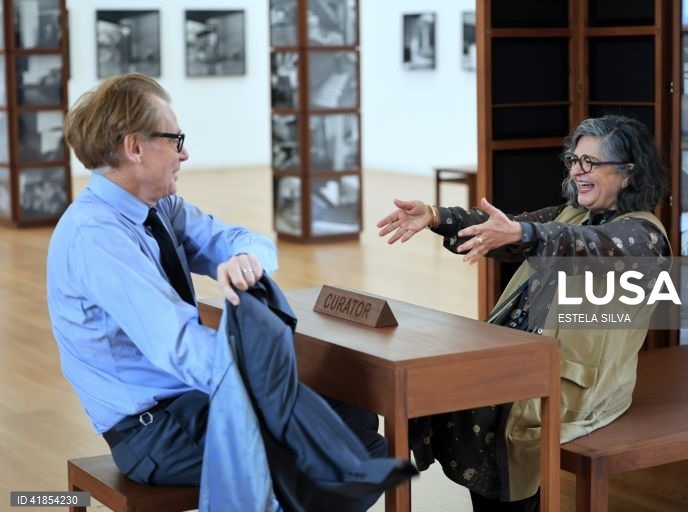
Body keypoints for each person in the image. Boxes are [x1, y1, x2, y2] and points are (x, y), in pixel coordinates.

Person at [47, 72, 414, 511]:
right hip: (155, 430)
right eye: (175, 138)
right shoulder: (96, 236)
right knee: (356, 452)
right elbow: (179, 345)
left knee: (355, 416)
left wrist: (247, 261)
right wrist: (271, 384)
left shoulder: (159, 207)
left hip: (187, 401)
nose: (185, 152)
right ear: (135, 147)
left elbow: (245, 239)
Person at [377, 115, 671, 511]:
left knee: (488, 409)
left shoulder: (645, 236)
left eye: (590, 163)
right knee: (444, 380)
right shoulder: (572, 215)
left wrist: (525, 234)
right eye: (573, 160)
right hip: (524, 356)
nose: (577, 171)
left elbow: (588, 245)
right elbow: (507, 229)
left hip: (573, 381)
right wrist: (434, 216)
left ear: (627, 172)